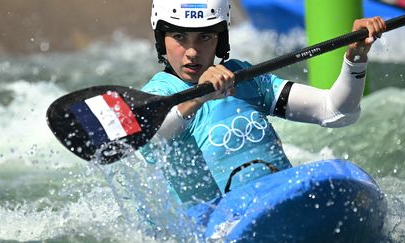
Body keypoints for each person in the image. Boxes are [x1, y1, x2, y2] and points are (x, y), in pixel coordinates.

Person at [140, 0, 386, 205]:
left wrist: (356, 56)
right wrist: (198, 97)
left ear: (220, 39)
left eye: (204, 36)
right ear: (162, 40)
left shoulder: (246, 79)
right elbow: (149, 137)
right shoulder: (157, 95)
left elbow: (335, 111)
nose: (192, 52)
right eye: (179, 36)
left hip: (280, 203)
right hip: (212, 226)